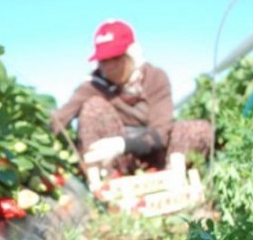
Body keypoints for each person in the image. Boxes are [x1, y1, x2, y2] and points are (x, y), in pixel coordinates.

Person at [50, 19, 213, 177]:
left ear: (132, 54)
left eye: (116, 58)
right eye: (104, 61)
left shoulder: (155, 78)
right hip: (117, 162)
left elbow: (161, 132)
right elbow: (61, 117)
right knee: (94, 107)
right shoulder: (94, 85)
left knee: (197, 129)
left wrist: (122, 144)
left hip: (157, 154)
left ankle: (175, 177)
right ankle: (104, 182)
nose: (109, 67)